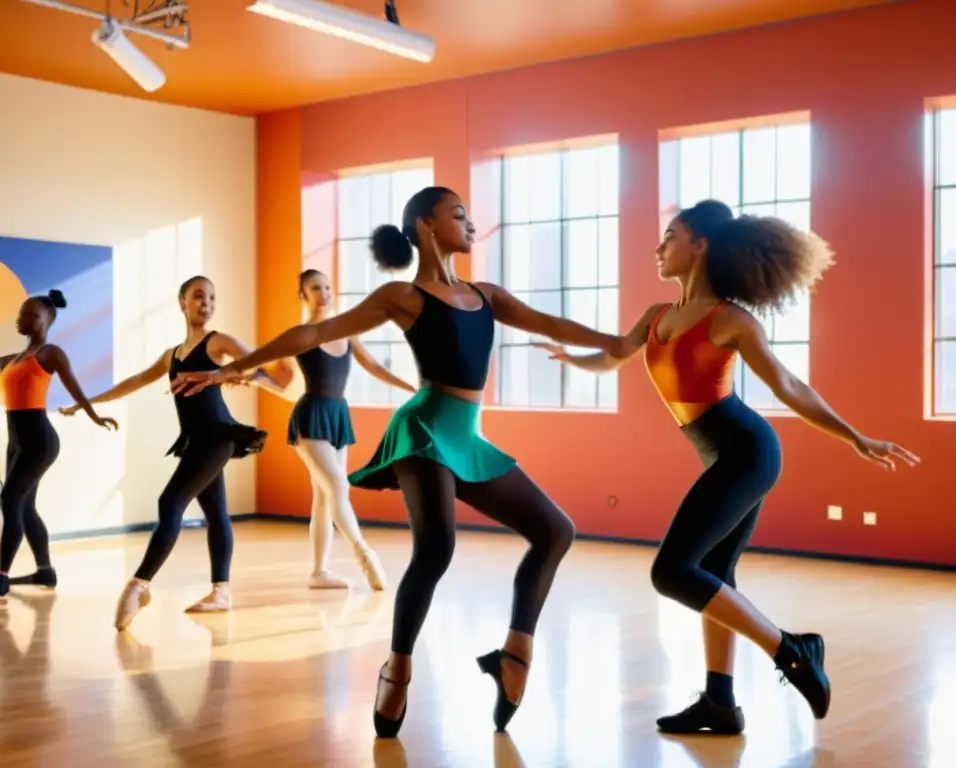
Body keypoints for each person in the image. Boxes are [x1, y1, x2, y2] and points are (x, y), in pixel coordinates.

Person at [171, 186, 634, 737]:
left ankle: (515, 651)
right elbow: (314, 333)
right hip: (422, 430)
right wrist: (232, 369)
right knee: (437, 546)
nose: (470, 221)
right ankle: (398, 665)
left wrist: (622, 342)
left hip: (467, 435)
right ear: (424, 225)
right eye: (458, 213)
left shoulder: (487, 295)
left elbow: (551, 324)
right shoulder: (403, 296)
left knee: (556, 530)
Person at [536, 199, 920, 734]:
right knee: (716, 576)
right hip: (718, 452)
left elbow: (790, 386)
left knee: (672, 572)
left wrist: (855, 436)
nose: (658, 247)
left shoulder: (732, 321)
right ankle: (720, 702)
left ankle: (792, 649)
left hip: (748, 451)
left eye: (670, 236)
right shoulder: (656, 317)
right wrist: (572, 357)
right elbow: (614, 356)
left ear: (701, 245)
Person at [61, 275, 293, 630]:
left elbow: (263, 368)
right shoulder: (172, 356)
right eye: (199, 296)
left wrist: (233, 375)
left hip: (218, 437)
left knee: (170, 504)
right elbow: (134, 381)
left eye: (213, 297)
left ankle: (139, 586)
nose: (207, 303)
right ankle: (221, 591)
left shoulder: (219, 342)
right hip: (196, 440)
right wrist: (87, 402)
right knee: (216, 512)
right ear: (182, 303)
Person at [287, 268, 415, 590]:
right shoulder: (301, 334)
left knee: (324, 494)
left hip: (338, 414)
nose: (324, 293)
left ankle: (319, 572)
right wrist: (246, 375)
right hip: (311, 415)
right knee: (338, 486)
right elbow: (280, 377)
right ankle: (365, 555)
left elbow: (372, 365)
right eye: (316, 288)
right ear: (303, 294)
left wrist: (410, 387)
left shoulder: (346, 331)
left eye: (328, 287)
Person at [1, 290, 119, 598]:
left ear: (46, 321)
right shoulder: (11, 360)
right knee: (24, 507)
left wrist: (94, 416)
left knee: (10, 500)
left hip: (39, 441)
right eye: (20, 313)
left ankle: (0, 576)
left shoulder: (50, 353)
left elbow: (75, 389)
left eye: (30, 314)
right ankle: (45, 571)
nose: (21, 318)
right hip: (15, 441)